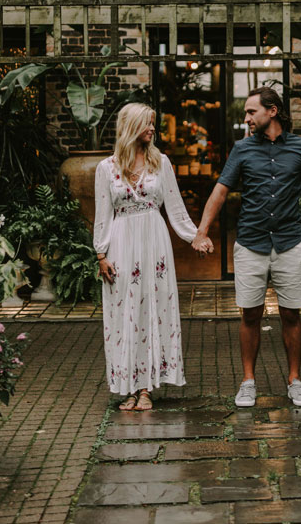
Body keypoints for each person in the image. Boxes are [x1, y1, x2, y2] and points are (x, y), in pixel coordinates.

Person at [191, 86, 301, 408]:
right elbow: (220, 191)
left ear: (272, 111)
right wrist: (201, 232)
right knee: (250, 314)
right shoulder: (242, 149)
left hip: (292, 243)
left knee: (291, 314)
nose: (247, 118)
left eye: (251, 112)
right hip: (251, 243)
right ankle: (248, 382)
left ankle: (295, 380)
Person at [93, 101, 200, 411]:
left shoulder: (160, 162)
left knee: (153, 309)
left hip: (154, 243)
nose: (153, 129)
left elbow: (175, 207)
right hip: (122, 244)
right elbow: (103, 213)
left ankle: (147, 389)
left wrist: (195, 237)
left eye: (153, 123)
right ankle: (129, 386)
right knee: (124, 314)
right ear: (130, 127)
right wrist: (101, 253)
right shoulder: (106, 168)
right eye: (147, 123)